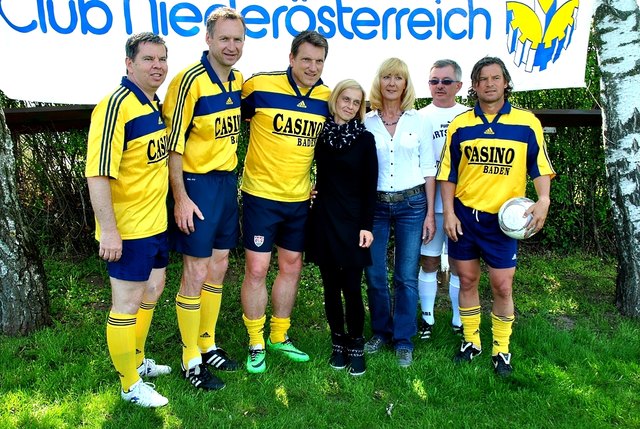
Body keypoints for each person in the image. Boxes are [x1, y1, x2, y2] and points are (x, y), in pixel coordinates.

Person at [437, 56, 555, 377]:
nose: (489, 84)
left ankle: (501, 348)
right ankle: (471, 340)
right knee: (468, 280)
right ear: (474, 86)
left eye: (495, 78)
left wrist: (543, 198)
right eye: (483, 79)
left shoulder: (526, 122)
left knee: (502, 286)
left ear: (505, 82)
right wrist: (448, 212)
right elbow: (448, 174)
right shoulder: (460, 125)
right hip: (465, 217)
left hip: (504, 222)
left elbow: (539, 167)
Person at [85, 32, 171, 407]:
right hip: (129, 229)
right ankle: (129, 386)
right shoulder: (115, 106)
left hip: (156, 224)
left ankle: (137, 360)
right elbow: (97, 174)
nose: (158, 66)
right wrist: (110, 232)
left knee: (152, 291)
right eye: (149, 59)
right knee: (125, 304)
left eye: (162, 59)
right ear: (129, 63)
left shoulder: (153, 103)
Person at [162, 7, 245, 390]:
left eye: (237, 39)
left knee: (220, 264)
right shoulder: (188, 81)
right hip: (195, 186)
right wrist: (180, 197)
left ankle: (208, 342)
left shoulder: (238, 80)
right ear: (208, 39)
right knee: (194, 271)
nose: (231, 45)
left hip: (226, 185)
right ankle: (190, 358)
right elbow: (172, 146)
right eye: (224, 38)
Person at [240, 30, 331, 374]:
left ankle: (279, 334)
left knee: (292, 267)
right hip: (261, 196)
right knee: (257, 269)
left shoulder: (327, 97)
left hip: (298, 200)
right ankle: (255, 339)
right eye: (305, 59)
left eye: (319, 61)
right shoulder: (259, 86)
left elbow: (334, 147)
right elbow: (230, 122)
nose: (312, 67)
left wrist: (322, 185)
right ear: (291, 58)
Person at [363, 57, 437, 368]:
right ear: (379, 82)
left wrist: (431, 213)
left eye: (398, 78)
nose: (392, 83)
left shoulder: (419, 121)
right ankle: (381, 331)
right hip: (376, 206)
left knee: (406, 276)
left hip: (412, 205)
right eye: (386, 77)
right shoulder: (366, 122)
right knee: (375, 274)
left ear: (406, 84)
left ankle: (404, 339)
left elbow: (428, 168)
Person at [305, 79, 378, 376]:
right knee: (330, 288)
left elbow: (369, 187)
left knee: (351, 287)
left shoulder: (364, 139)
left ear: (361, 107)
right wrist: (306, 188)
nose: (349, 105)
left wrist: (366, 226)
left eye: (356, 102)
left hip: (352, 223)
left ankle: (356, 346)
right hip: (323, 218)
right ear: (335, 99)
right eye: (345, 99)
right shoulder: (320, 135)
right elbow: (303, 166)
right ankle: (338, 344)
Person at [417, 59, 470, 340]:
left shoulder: (470, 116)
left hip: (462, 204)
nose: (439, 86)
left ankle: (459, 319)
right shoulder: (418, 116)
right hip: (429, 205)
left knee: (462, 264)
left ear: (458, 86)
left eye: (446, 81)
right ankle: (426, 318)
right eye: (434, 81)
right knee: (429, 262)